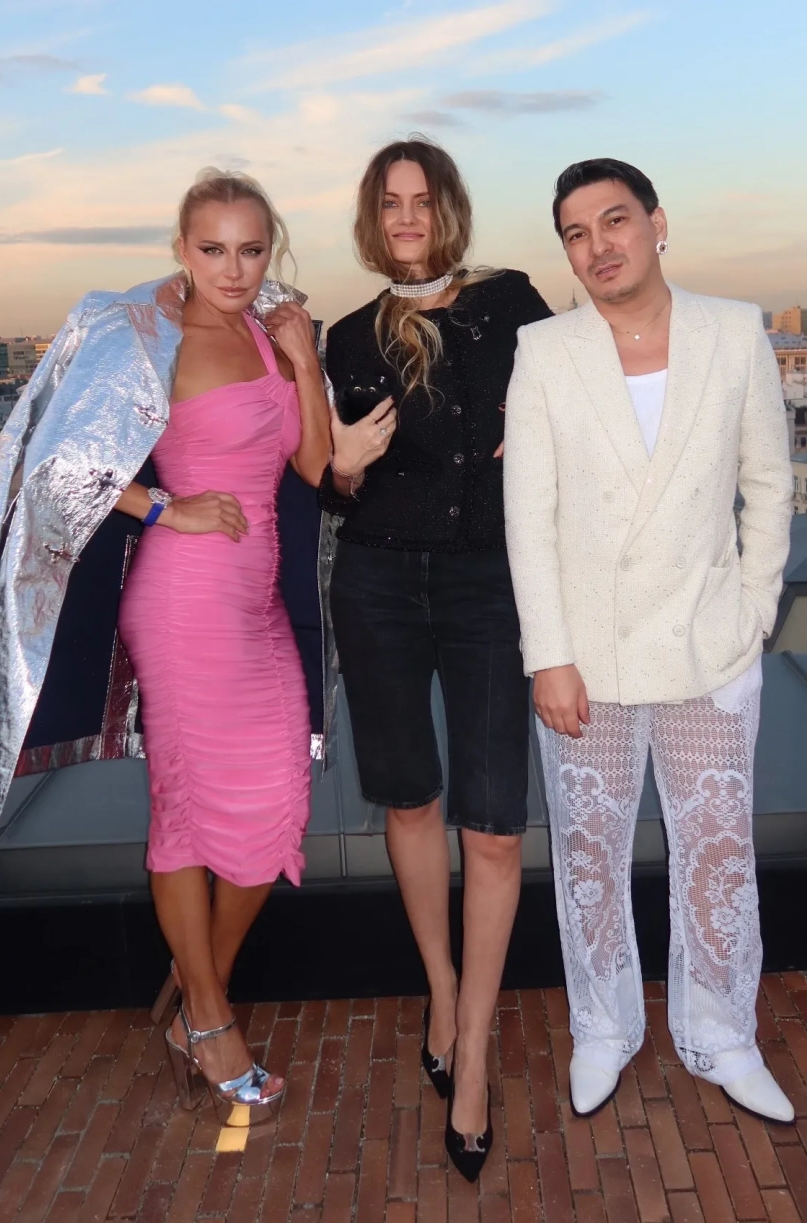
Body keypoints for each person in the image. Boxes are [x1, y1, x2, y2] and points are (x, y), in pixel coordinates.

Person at [0, 168, 331, 1121]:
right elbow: (55, 462)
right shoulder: (143, 336)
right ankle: (208, 1017)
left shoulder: (271, 330)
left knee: (276, 806)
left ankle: (196, 998)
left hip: (258, 608)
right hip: (183, 604)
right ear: (181, 248)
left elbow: (314, 462)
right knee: (189, 814)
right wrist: (165, 506)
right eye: (213, 249)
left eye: (251, 249)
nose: (233, 268)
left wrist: (304, 362)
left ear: (271, 249)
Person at [503, 158, 794, 1123]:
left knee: (719, 849)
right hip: (587, 657)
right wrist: (548, 654)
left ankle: (724, 1034)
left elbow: (769, 482)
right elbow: (529, 515)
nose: (599, 246)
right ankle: (603, 1026)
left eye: (615, 220)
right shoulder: (545, 350)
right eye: (576, 233)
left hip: (710, 646)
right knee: (589, 851)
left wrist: (753, 610)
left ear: (658, 223)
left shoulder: (733, 330)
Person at [320, 137, 552, 1180]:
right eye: (390, 202)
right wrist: (340, 468)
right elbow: (325, 484)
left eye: (422, 199)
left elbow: (584, 395)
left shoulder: (512, 303)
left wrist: (540, 425)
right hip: (377, 582)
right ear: (373, 220)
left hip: (489, 583)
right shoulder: (346, 336)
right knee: (410, 801)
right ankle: (443, 992)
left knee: (492, 825)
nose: (407, 216)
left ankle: (475, 1057)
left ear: (447, 208)